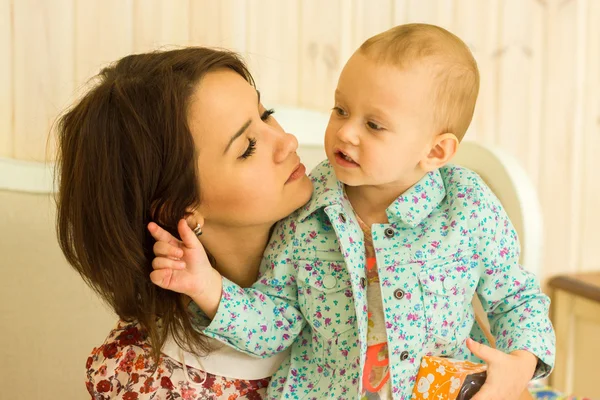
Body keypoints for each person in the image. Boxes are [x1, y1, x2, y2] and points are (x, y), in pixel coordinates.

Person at [150, 24, 556, 400]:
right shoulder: (304, 212)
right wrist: (209, 288)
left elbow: (515, 298)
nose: (346, 132)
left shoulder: (467, 205)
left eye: (374, 125)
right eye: (341, 110)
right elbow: (278, 322)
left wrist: (521, 365)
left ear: (434, 151)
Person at [55, 47, 313, 399]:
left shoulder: (356, 243)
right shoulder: (150, 379)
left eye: (266, 115)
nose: (288, 141)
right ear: (181, 209)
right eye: (248, 147)